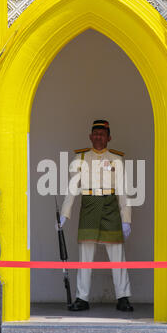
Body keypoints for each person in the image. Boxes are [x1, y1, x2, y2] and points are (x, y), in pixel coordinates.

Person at [59, 120, 133, 312]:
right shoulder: (80, 158)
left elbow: (124, 191)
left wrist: (126, 219)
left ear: (109, 137)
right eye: (96, 133)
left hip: (110, 206)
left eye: (103, 134)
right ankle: (82, 298)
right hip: (89, 205)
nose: (99, 137)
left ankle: (123, 297)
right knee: (85, 256)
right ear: (90, 136)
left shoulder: (116, 159)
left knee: (118, 255)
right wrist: (65, 213)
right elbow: (71, 188)